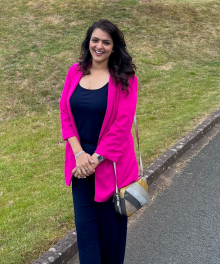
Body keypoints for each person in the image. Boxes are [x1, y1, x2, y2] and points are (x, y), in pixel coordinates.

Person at [59, 19, 138, 264]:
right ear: (88, 42)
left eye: (106, 42)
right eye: (95, 40)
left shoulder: (125, 78)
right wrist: (79, 154)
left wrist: (95, 159)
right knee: (86, 237)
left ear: (114, 47)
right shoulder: (74, 72)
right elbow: (65, 114)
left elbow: (121, 127)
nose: (99, 46)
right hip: (80, 167)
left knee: (110, 239)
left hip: (111, 168)